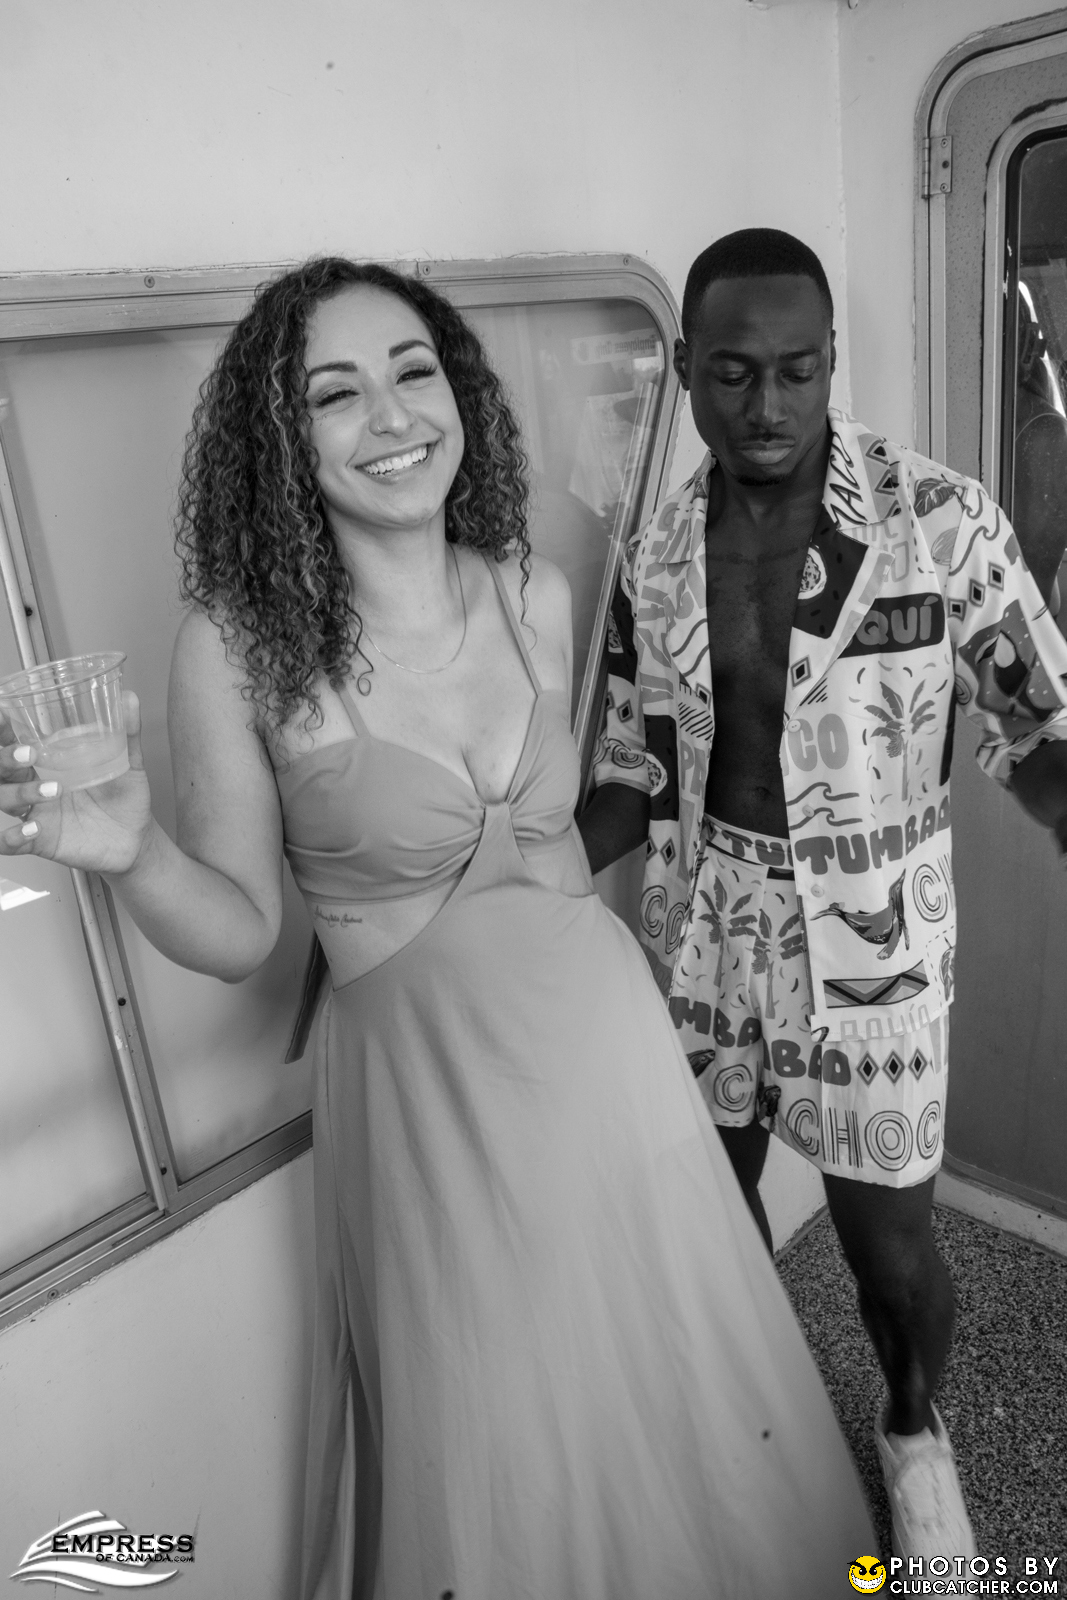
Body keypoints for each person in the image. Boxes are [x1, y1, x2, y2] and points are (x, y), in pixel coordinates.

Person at [0, 257, 874, 1599]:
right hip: (431, 1101)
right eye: (334, 393)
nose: (392, 416)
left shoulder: (533, 590)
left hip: (607, 1055)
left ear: (460, 393)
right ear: (281, 439)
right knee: (495, 1433)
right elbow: (241, 932)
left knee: (670, 1380)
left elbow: (560, 840)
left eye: (414, 372)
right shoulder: (236, 648)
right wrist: (132, 853)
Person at [579, 227, 1067, 1563]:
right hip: (701, 932)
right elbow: (632, 769)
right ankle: (747, 1423)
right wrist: (518, 874)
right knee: (708, 1217)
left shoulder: (940, 522)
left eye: (798, 370)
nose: (769, 406)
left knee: (889, 1253)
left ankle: (914, 1438)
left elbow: (1038, 729)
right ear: (687, 367)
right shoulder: (654, 554)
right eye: (733, 373)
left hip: (873, 940)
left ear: (833, 358)